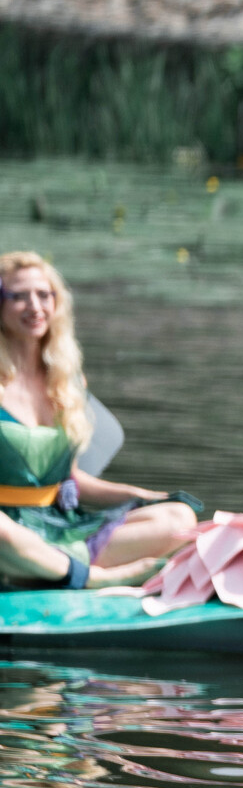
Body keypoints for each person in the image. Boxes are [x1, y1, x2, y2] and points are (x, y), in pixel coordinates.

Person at [0, 252, 196, 588]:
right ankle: (91, 576)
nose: (35, 306)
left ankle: (41, 570)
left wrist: (136, 495)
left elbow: (71, 479)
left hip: (59, 525)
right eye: (19, 296)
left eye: (44, 295)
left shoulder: (67, 380)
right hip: (6, 531)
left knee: (179, 518)